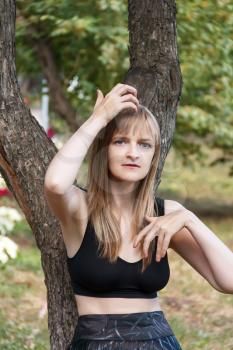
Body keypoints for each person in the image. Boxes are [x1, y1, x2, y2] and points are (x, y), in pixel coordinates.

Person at [44, 83, 233, 350]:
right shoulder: (80, 209)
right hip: (97, 342)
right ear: (104, 150)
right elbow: (54, 183)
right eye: (121, 141)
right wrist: (99, 118)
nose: (133, 153)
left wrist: (189, 218)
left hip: (160, 342)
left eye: (144, 145)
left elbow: (228, 281)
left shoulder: (165, 215)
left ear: (153, 155)